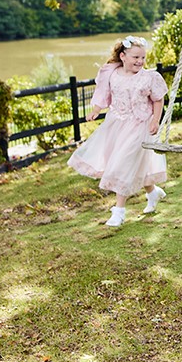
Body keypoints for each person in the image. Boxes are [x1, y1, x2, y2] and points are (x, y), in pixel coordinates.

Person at [68, 35, 168, 227]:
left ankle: (119, 211)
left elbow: (158, 100)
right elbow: (104, 94)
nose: (140, 61)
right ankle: (153, 192)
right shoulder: (112, 74)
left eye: (143, 58)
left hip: (140, 125)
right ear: (123, 56)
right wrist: (96, 110)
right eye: (135, 57)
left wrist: (156, 120)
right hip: (116, 124)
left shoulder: (149, 77)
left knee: (123, 163)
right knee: (134, 164)